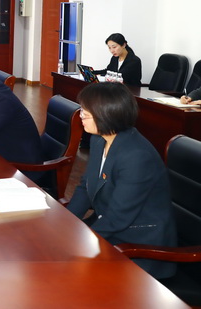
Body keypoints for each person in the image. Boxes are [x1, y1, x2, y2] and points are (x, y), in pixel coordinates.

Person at [67, 82, 176, 279]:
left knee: (72, 272)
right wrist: (66, 224)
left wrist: (77, 240)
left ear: (106, 115)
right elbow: (86, 186)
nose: (81, 115)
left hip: (139, 244)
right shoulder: (99, 139)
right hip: (111, 227)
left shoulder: (136, 156)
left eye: (86, 112)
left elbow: (118, 218)